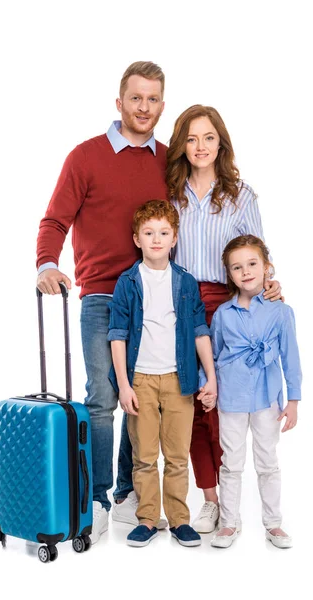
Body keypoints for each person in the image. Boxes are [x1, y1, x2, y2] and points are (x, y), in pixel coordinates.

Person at [115, 104, 282, 533]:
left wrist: (270, 286)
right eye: (191, 139)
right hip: (181, 304)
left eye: (208, 138)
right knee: (189, 402)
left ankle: (229, 501)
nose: (200, 146)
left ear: (220, 142)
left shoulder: (241, 195)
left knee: (222, 401)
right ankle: (208, 499)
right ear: (181, 146)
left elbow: (257, 254)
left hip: (228, 306)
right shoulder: (171, 194)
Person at [36, 61, 168, 543]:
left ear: (161, 104)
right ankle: (97, 495)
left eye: (154, 99)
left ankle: (130, 493)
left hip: (153, 298)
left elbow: (190, 226)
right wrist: (46, 264)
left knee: (144, 398)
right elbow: (54, 221)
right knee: (102, 399)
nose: (144, 108)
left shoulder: (167, 160)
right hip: (101, 296)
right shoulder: (86, 156)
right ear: (119, 102)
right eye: (136, 98)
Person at [108, 200, 217, 547]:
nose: (156, 239)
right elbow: (118, 335)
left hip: (178, 379)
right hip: (140, 379)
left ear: (174, 239)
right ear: (137, 239)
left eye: (164, 233)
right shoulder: (128, 282)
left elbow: (200, 330)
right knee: (143, 456)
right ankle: (147, 519)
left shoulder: (185, 282)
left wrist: (210, 377)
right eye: (149, 233)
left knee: (176, 455)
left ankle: (180, 520)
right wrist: (124, 385)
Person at [208, 235, 301, 548]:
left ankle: (274, 524)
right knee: (231, 463)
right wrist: (206, 386)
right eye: (237, 267)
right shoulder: (222, 315)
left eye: (252, 264)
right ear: (230, 275)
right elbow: (214, 357)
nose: (245, 271)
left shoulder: (280, 312)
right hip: (231, 399)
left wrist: (294, 401)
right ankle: (229, 523)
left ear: (266, 268)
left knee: (267, 461)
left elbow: (291, 358)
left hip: (266, 398)